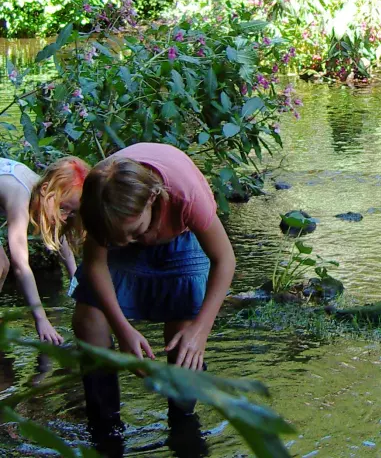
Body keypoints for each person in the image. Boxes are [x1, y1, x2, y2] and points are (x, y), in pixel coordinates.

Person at [72, 142, 235, 430]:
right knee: (88, 321)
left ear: (152, 200)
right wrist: (123, 329)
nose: (124, 244)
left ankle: (183, 424)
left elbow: (225, 260)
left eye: (134, 232)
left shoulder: (186, 195)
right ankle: (105, 425)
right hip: (119, 222)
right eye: (116, 239)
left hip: (180, 238)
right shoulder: (99, 200)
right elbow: (97, 264)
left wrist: (200, 331)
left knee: (183, 339)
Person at [0, 156, 88, 343]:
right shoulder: (20, 198)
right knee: (2, 265)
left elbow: (60, 236)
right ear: (46, 190)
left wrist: (75, 277)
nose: (65, 217)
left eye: (72, 212)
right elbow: (21, 265)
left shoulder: (42, 190)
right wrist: (41, 319)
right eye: (63, 209)